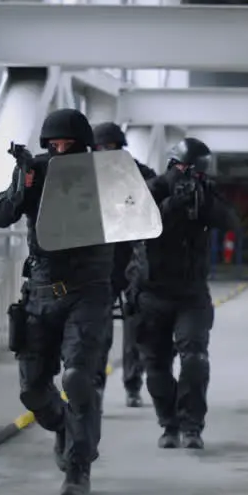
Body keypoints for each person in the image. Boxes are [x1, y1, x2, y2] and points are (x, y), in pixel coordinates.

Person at [0, 108, 117, 495]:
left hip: (87, 290)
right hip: (41, 292)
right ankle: (65, 427)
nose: (60, 151)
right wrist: (21, 185)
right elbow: (1, 216)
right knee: (32, 390)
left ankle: (78, 467)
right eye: (54, 145)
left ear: (84, 146)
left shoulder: (103, 176)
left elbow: (133, 219)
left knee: (78, 377)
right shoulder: (37, 170)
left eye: (69, 145)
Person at [134, 137, 238, 450]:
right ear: (177, 165)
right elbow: (133, 225)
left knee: (194, 359)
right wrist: (171, 205)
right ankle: (169, 424)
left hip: (191, 294)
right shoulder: (152, 190)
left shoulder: (204, 194)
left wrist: (205, 199)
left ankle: (192, 426)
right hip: (152, 294)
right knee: (157, 366)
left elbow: (230, 223)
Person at [90, 122, 157, 408]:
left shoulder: (140, 174)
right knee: (98, 332)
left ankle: (132, 385)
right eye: (101, 148)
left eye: (110, 147)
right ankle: (96, 390)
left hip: (130, 260)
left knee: (135, 328)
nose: (105, 152)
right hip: (101, 261)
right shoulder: (87, 176)